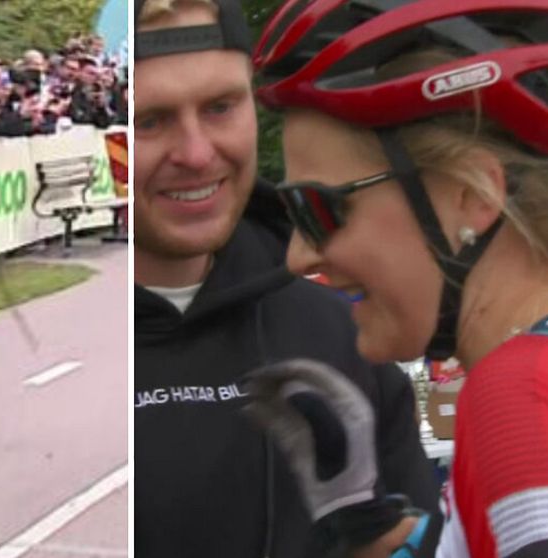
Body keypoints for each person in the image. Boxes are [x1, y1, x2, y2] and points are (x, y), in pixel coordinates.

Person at [242, 1, 548, 557]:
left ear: (472, 196)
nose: (298, 256)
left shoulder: (533, 396)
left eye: (316, 210)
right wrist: (378, 533)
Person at [133, 1, 442, 557]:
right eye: (149, 121)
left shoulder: (345, 332)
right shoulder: (44, 371)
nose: (197, 154)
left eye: (221, 107)